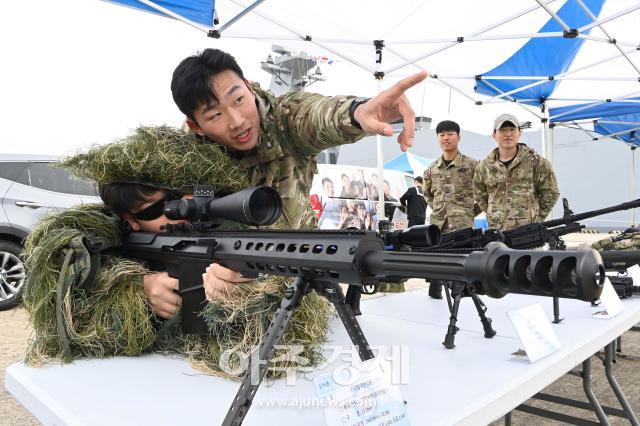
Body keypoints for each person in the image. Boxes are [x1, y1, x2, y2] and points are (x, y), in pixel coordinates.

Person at [22, 126, 330, 376]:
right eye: (156, 207)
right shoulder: (107, 240)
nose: (177, 210)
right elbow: (62, 302)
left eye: (179, 195)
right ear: (130, 220)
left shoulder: (236, 232)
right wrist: (140, 289)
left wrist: (249, 294)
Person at [171, 48, 427, 292]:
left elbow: (316, 115)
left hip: (296, 270)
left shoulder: (285, 119)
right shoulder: (180, 160)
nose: (237, 121)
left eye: (239, 100)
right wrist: (153, 282)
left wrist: (357, 112)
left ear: (249, 87)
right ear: (196, 127)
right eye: (216, 115)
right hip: (218, 275)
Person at [473, 114, 560, 231]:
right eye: (503, 130)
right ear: (494, 135)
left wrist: (536, 220)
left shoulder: (536, 162)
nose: (508, 134)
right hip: (497, 233)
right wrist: (492, 214)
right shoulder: (484, 167)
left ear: (520, 132)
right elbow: (480, 195)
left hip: (527, 233)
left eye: (512, 129)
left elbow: (551, 193)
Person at [423, 120, 479, 299]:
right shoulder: (431, 169)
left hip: (462, 224)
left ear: (458, 137)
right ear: (438, 138)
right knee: (437, 260)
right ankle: (435, 292)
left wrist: (468, 211)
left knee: (463, 261)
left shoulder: (473, 165)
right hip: (438, 224)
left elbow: (483, 193)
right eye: (442, 135)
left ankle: (463, 294)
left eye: (450, 134)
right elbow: (427, 194)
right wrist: (440, 211)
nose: (446, 138)